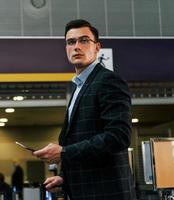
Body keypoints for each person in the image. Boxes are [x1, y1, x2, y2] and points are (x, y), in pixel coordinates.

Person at [33, 19, 135, 200]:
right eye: (71, 42)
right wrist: (64, 177)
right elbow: (83, 141)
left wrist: (64, 152)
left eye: (84, 40)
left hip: (107, 194)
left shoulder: (108, 81)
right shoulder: (78, 87)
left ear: (97, 47)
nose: (76, 46)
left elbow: (118, 137)